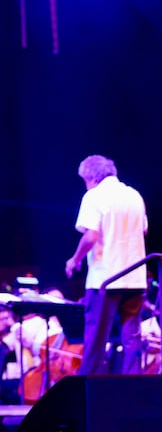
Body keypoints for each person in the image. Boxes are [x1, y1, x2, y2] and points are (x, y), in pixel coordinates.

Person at [65, 154, 147, 375]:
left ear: (91, 177)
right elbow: (144, 230)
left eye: (84, 180)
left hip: (106, 279)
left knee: (95, 340)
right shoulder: (134, 195)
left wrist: (75, 260)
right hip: (135, 278)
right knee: (132, 340)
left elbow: (91, 237)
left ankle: (87, 394)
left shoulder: (94, 196)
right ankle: (134, 390)